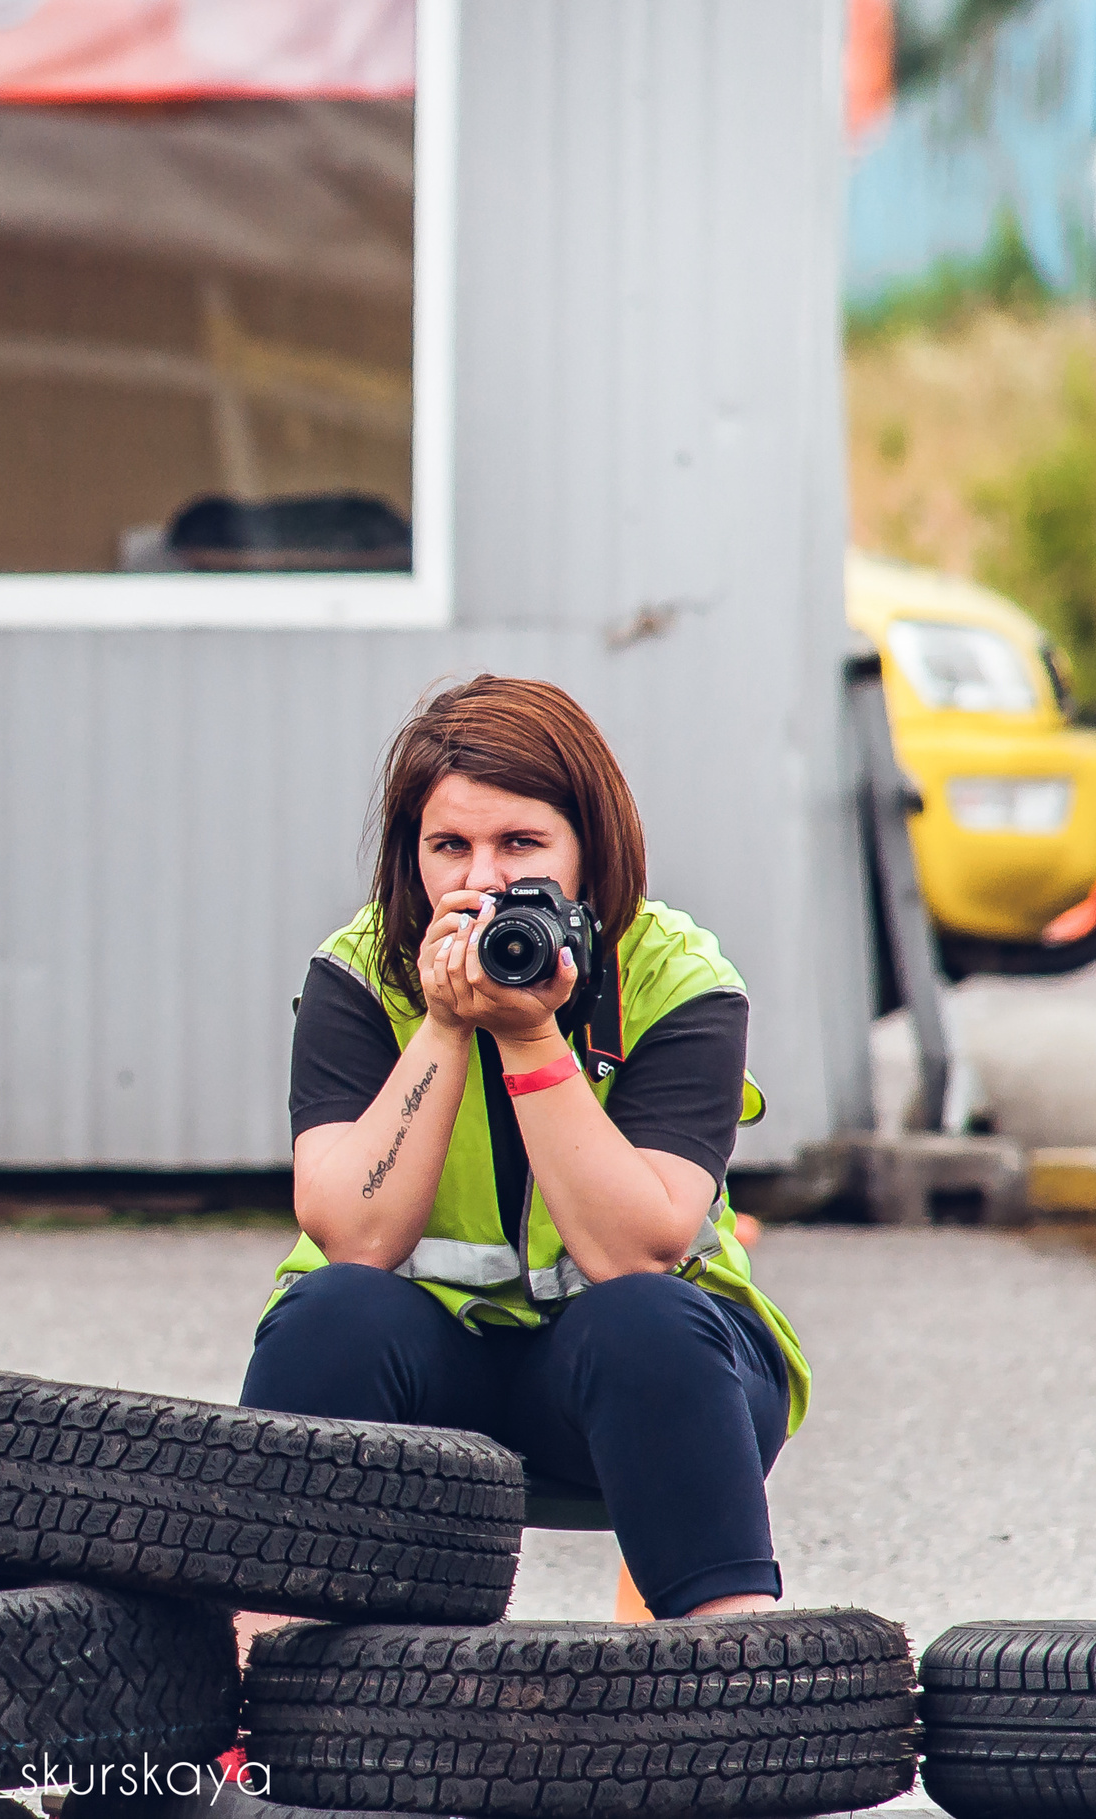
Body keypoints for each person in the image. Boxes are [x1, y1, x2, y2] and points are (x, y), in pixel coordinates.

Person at [240, 675, 807, 1619]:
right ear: (411, 856)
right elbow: (356, 1237)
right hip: (429, 1376)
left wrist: (533, 1038)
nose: (484, 881)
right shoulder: (360, 973)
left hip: (653, 1385)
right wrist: (444, 1024)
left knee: (645, 1320)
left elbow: (635, 1254)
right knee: (330, 1310)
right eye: (450, 847)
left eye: (520, 843)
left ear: (589, 848)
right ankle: (262, 1663)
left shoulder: (676, 979)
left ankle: (733, 1663)